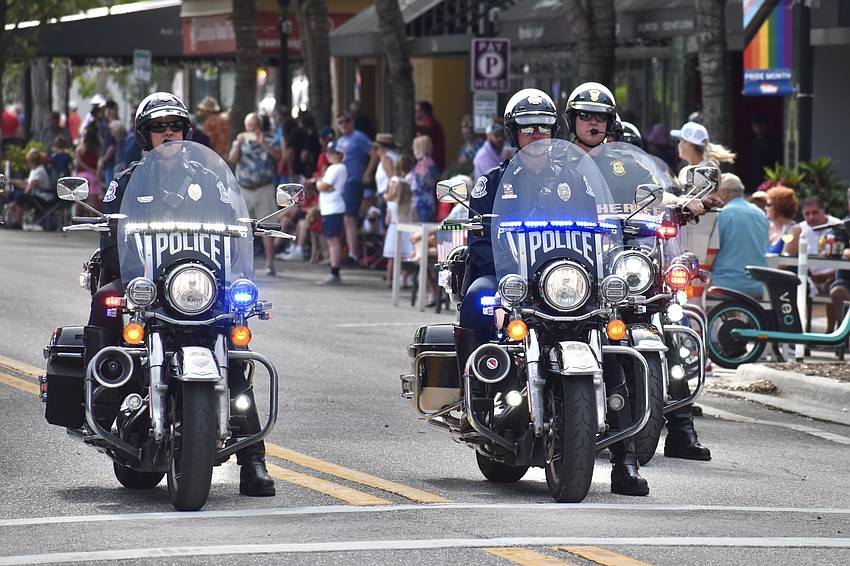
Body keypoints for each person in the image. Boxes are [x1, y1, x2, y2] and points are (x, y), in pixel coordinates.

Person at [459, 88, 648, 495]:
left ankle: (625, 460)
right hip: (513, 281)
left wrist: (613, 248)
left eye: (544, 127)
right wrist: (503, 290)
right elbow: (479, 241)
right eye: (527, 129)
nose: (537, 135)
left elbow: (597, 231)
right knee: (476, 297)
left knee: (616, 338)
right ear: (513, 133)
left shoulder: (573, 179)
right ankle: (472, 394)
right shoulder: (492, 183)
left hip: (566, 283)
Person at [92, 91, 275, 497]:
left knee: (235, 350)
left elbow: (234, 223)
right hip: (147, 284)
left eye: (175, 126)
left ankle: (253, 461)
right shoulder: (127, 180)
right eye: (158, 127)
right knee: (104, 297)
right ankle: (103, 387)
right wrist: (134, 278)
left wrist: (248, 240)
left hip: (199, 284)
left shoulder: (208, 179)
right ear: (145, 135)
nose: (168, 133)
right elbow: (110, 236)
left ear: (186, 132)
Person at [564, 81, 708, 466]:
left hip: (622, 264)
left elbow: (656, 193)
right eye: (585, 116)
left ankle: (681, 428)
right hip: (576, 269)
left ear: (610, 122)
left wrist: (681, 204)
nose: (593, 123)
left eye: (600, 117)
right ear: (572, 120)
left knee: (665, 324)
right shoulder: (560, 163)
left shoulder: (623, 164)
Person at [228, 111, 282, 276]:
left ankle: (270, 263)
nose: (251, 129)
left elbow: (278, 156)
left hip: (263, 187)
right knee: (241, 229)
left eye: (255, 126)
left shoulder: (270, 140)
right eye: (249, 126)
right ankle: (242, 266)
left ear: (260, 127)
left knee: (267, 228)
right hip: (243, 188)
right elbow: (232, 160)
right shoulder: (240, 141)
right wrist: (238, 144)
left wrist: (263, 143)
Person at [707, 173, 769, 299]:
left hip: (724, 285)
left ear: (724, 193)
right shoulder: (761, 214)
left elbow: (711, 253)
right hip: (757, 286)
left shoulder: (722, 214)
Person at [334, 111, 372, 267]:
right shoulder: (340, 140)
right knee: (343, 218)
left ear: (353, 122)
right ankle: (342, 254)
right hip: (342, 181)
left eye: (347, 121)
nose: (344, 124)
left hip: (354, 180)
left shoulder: (359, 137)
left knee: (350, 218)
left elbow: (374, 153)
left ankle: (354, 255)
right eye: (340, 122)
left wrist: (367, 172)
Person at [670, 121, 736, 193]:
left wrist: (679, 185)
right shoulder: (684, 170)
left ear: (688, 144)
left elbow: (707, 195)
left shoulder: (710, 168)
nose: (678, 145)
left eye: (679, 141)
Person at [315, 140, 347, 285]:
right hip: (330, 208)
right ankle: (334, 268)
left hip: (333, 208)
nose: (328, 155)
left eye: (332, 153)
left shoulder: (336, 168)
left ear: (339, 154)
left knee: (333, 240)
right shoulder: (336, 168)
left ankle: (335, 271)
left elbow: (323, 185)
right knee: (331, 239)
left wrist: (319, 183)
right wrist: (322, 183)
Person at [799, 195, 840, 299]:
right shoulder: (800, 229)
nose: (811, 217)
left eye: (815, 212)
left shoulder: (838, 226)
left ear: (823, 210)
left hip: (833, 276)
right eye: (807, 214)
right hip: (808, 277)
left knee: (833, 287)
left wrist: (828, 275)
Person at [4, 149, 53, 230]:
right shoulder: (34, 170)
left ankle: (17, 222)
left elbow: (30, 186)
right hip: (35, 195)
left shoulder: (40, 171)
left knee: (21, 196)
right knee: (11, 194)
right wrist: (13, 181)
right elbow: (26, 182)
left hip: (43, 196)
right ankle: (14, 221)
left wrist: (15, 202)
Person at [75, 122, 104, 214]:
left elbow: (79, 162)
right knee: (93, 204)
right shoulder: (97, 148)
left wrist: (87, 168)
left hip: (81, 176)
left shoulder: (81, 148)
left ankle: (77, 219)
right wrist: (97, 173)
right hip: (93, 176)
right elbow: (100, 163)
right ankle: (92, 219)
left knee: (79, 201)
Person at [409, 135, 439, 223]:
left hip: (422, 203)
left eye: (414, 149)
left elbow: (419, 184)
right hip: (425, 201)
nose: (414, 152)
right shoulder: (428, 162)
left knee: (421, 228)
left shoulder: (424, 164)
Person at [765, 185, 801, 257]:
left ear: (779, 206)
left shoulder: (793, 230)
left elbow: (785, 260)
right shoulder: (767, 226)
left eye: (768, 205)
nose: (765, 208)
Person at [750, 113, 782, 189]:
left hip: (769, 176)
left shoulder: (773, 141)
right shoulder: (754, 142)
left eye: (760, 125)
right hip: (756, 176)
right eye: (755, 125)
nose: (758, 128)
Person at [415, 101, 445, 172]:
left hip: (433, 161)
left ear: (423, 111)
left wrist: (413, 126)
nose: (415, 113)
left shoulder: (430, 121)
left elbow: (428, 130)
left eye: (417, 110)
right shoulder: (424, 122)